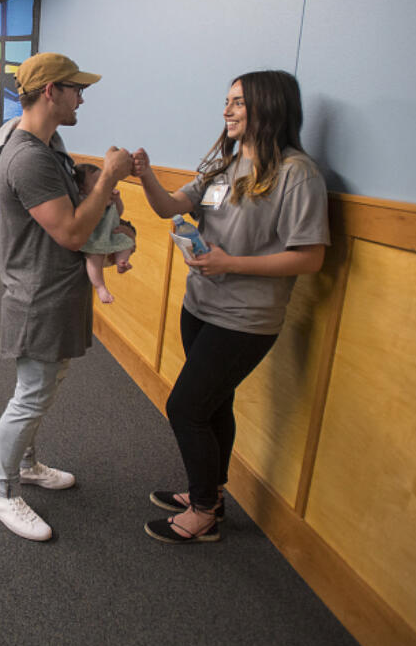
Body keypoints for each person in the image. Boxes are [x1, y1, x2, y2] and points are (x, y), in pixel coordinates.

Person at [132, 70, 329, 543]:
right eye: (227, 101)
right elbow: (170, 206)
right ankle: (211, 494)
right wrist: (146, 176)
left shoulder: (297, 174)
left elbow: (311, 257)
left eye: (238, 102)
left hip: (246, 320)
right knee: (215, 404)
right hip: (199, 306)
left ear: (269, 106)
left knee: (185, 407)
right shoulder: (224, 164)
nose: (227, 110)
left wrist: (230, 263)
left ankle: (202, 514)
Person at [0, 52, 132, 541]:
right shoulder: (28, 156)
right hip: (38, 296)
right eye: (75, 89)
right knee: (30, 397)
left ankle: (24, 466)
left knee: (42, 389)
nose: (82, 98)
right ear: (51, 91)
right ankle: (0, 491)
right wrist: (107, 177)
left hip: (57, 290)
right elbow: (70, 231)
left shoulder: (47, 143)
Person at [72, 162, 136, 303]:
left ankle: (122, 262)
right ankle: (100, 286)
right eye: (97, 182)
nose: (104, 185)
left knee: (127, 243)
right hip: (95, 238)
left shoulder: (109, 196)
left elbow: (119, 213)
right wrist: (100, 202)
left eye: (104, 180)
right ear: (82, 189)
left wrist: (117, 200)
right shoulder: (84, 201)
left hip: (111, 233)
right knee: (95, 257)